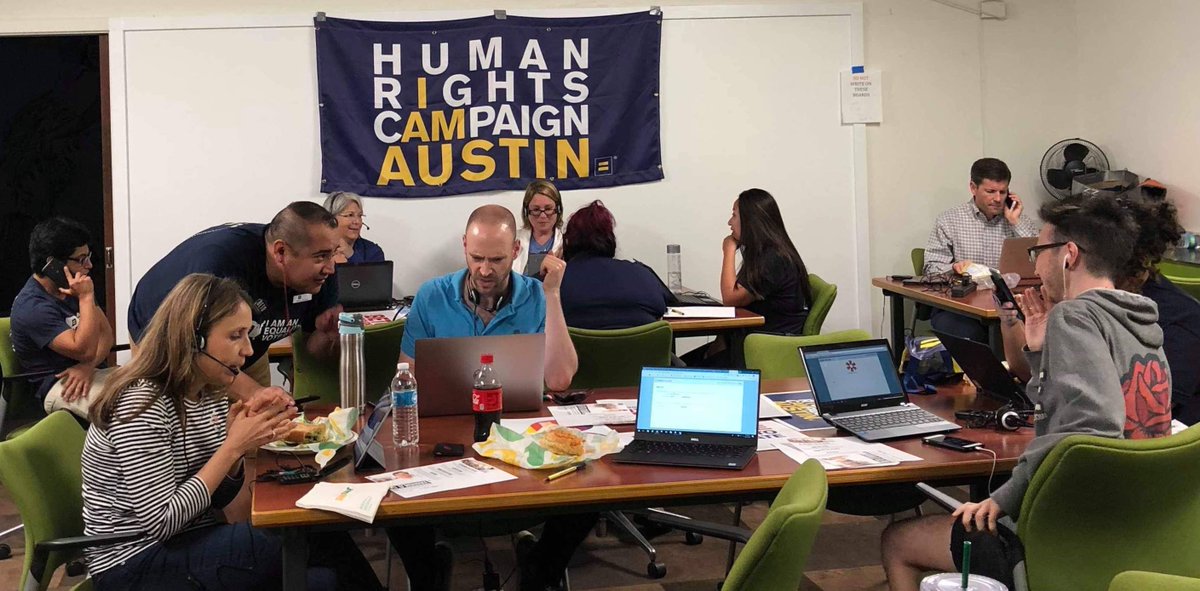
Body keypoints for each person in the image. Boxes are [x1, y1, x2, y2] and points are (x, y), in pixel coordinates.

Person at [881, 194, 1174, 591]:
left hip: (1068, 528)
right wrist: (1038, 355)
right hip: (1133, 525)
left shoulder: (1074, 315)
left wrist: (1004, 498)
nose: (1034, 266)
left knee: (899, 540)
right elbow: (1073, 405)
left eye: (1038, 252)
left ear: (1069, 255)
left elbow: (1091, 428)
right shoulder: (1138, 319)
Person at [83, 274, 383, 591]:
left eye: (247, 335)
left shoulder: (208, 389)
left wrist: (236, 447)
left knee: (321, 565)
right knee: (293, 536)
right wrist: (232, 447)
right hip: (133, 562)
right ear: (194, 340)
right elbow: (162, 521)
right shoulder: (142, 404)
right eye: (235, 336)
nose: (248, 349)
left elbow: (218, 498)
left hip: (187, 539)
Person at [394, 204, 585, 591]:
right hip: (446, 434)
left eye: (496, 260)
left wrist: (552, 294)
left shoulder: (536, 295)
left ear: (516, 251)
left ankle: (540, 571)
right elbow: (406, 378)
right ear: (464, 246)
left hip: (520, 436)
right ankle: (428, 574)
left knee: (590, 488)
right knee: (391, 492)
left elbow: (560, 378)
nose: (484, 270)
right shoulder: (433, 295)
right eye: (477, 257)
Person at [998, 193, 1200, 425]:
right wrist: (1040, 349)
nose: (1036, 270)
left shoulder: (1177, 320)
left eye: (1039, 252)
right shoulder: (1090, 311)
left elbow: (1136, 419)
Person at [128, 202, 342, 393]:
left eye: (333, 253)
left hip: (246, 343)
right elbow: (196, 354)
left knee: (263, 414)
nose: (330, 267)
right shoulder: (220, 266)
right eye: (321, 257)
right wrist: (257, 395)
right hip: (168, 339)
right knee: (188, 416)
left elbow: (313, 346)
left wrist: (331, 338)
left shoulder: (321, 273)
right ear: (280, 252)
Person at [684, 188, 812, 366]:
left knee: (679, 370)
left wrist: (729, 250)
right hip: (750, 339)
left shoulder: (774, 258)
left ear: (750, 221)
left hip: (766, 348)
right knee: (679, 364)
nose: (729, 222)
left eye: (734, 215)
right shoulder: (764, 253)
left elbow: (730, 298)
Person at [923, 158, 1039, 342]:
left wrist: (1016, 222)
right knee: (967, 333)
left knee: (1038, 329)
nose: (998, 199)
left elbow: (1040, 259)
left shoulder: (1018, 220)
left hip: (1009, 303)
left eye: (1003, 192)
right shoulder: (949, 220)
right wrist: (953, 268)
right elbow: (931, 268)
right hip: (962, 305)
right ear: (973, 188)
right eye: (990, 191)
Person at [10, 217, 114, 419]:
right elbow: (84, 351)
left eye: (88, 257)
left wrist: (87, 367)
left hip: (88, 372)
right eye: (81, 259)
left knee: (158, 392)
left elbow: (106, 335)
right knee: (129, 411)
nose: (89, 265)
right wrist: (86, 298)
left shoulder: (72, 287)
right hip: (60, 384)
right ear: (53, 264)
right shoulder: (32, 307)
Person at [559, 200, 670, 329]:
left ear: (568, 241)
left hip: (576, 342)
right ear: (610, 239)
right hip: (642, 342)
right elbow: (660, 308)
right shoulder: (641, 274)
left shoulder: (556, 282)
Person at [513, 180, 564, 277]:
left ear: (558, 209)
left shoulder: (565, 243)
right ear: (526, 211)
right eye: (536, 210)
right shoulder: (513, 240)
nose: (543, 216)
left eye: (548, 209)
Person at [323, 191, 385, 264]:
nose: (357, 221)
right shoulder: (316, 248)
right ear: (331, 219)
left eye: (360, 216)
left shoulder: (373, 251)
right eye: (350, 215)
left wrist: (351, 256)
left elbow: (369, 272)